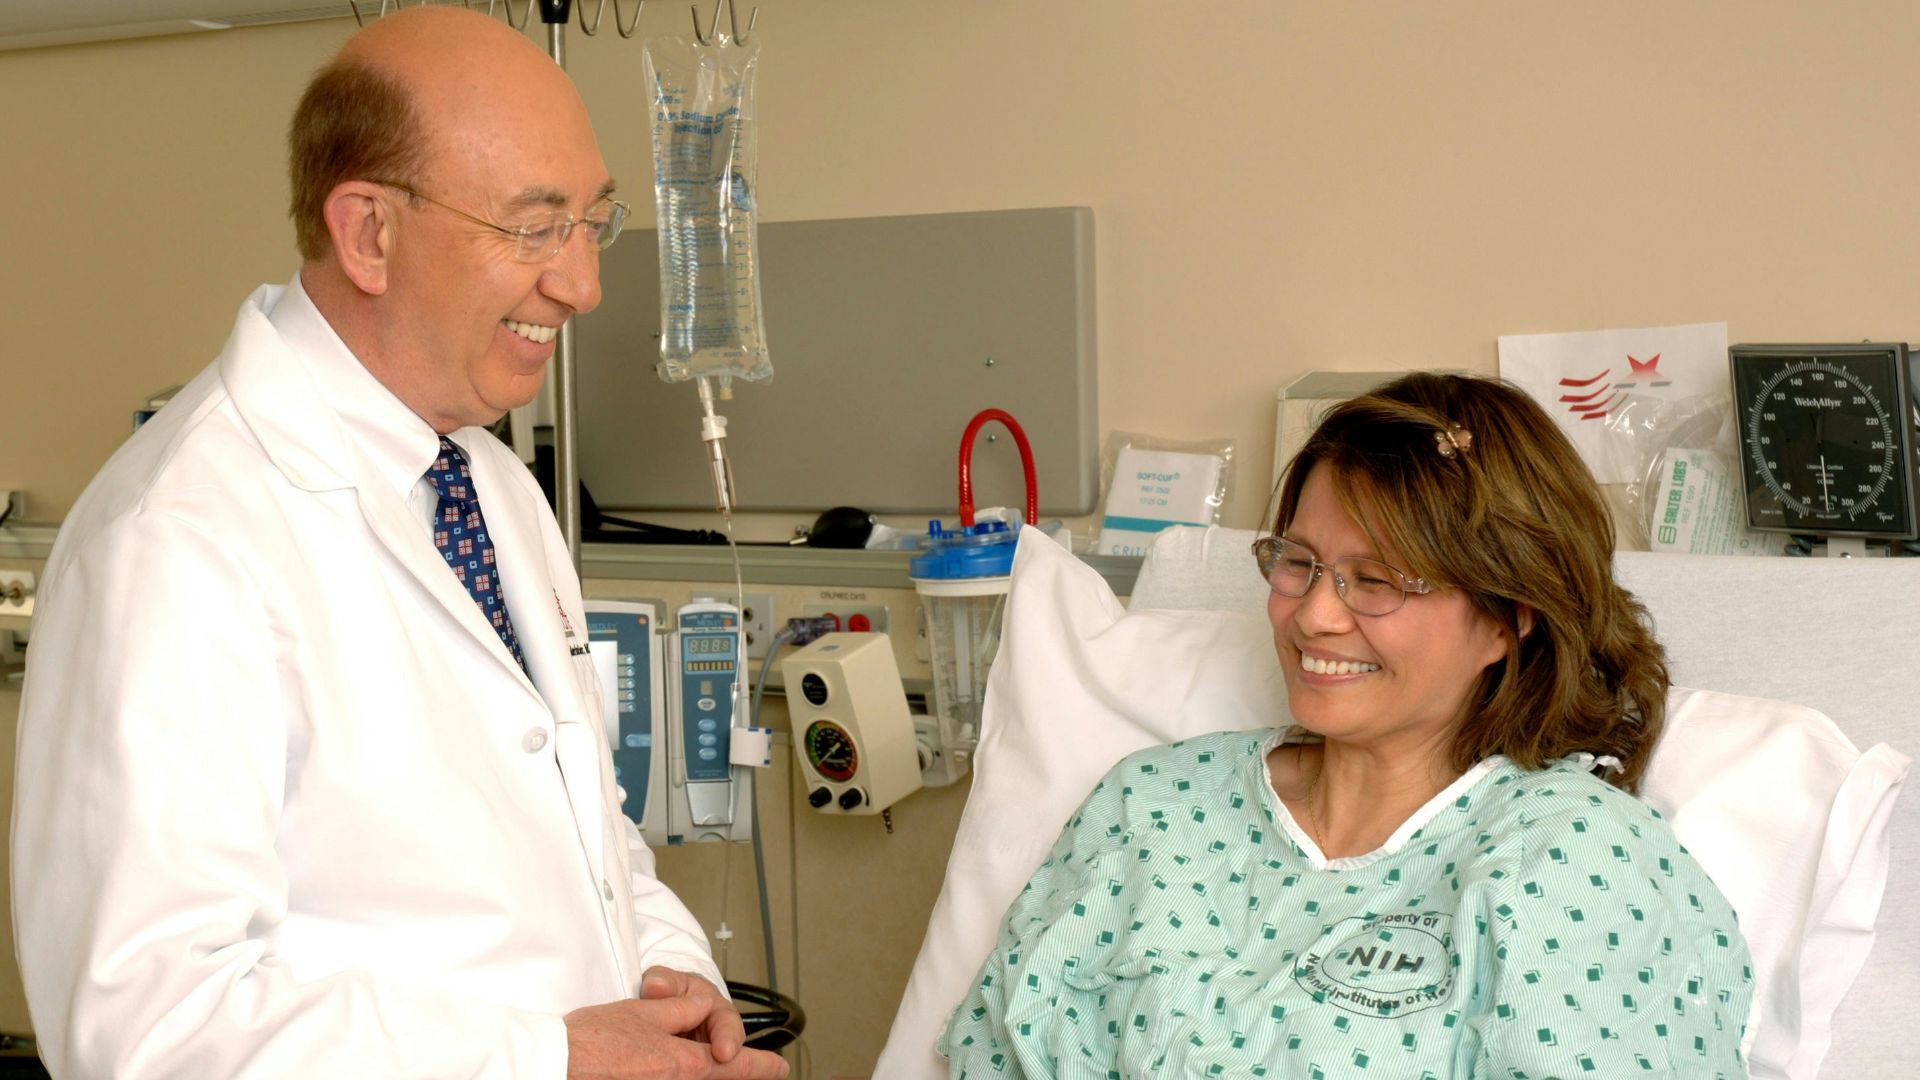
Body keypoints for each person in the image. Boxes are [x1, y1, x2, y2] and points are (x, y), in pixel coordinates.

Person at [10, 9, 786, 1080]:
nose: (582, 283)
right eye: (532, 226)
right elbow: (147, 1027)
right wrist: (549, 1059)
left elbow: (588, 836)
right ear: (368, 231)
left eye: (591, 221)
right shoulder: (177, 540)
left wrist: (671, 987)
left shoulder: (490, 486)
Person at [940, 372, 1753, 1078]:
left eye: (1379, 580)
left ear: (1509, 619)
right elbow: (997, 1053)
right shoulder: (1155, 807)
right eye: (1298, 562)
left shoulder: (1572, 862)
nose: (1315, 616)